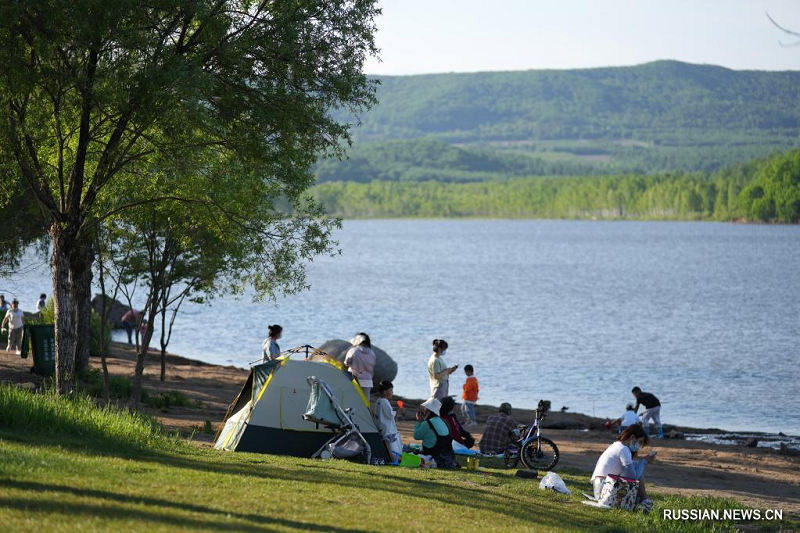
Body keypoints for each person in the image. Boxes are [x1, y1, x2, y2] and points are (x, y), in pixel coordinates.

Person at [590, 425, 656, 502]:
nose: (639, 446)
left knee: (636, 466)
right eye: (640, 442)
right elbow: (633, 477)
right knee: (638, 470)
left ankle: (643, 500)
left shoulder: (616, 445)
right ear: (632, 437)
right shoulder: (623, 449)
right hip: (605, 489)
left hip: (600, 488)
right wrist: (644, 462)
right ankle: (645, 501)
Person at [413, 397, 458, 468]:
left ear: (428, 411)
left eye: (424, 409)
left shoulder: (427, 423)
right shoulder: (443, 421)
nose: (423, 411)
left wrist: (419, 421)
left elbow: (416, 436)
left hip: (434, 459)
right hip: (449, 460)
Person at [374, 380, 403, 461]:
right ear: (385, 391)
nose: (392, 392)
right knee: (391, 445)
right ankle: (394, 459)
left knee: (387, 444)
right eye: (391, 390)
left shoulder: (379, 400)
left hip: (382, 426)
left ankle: (393, 458)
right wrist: (398, 412)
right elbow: (390, 415)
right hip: (387, 428)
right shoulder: (384, 401)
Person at [344, 333, 376, 397]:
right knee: (366, 400)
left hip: (354, 378)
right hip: (367, 378)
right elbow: (373, 364)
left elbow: (347, 362)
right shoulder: (372, 353)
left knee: (353, 397)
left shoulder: (353, 351)